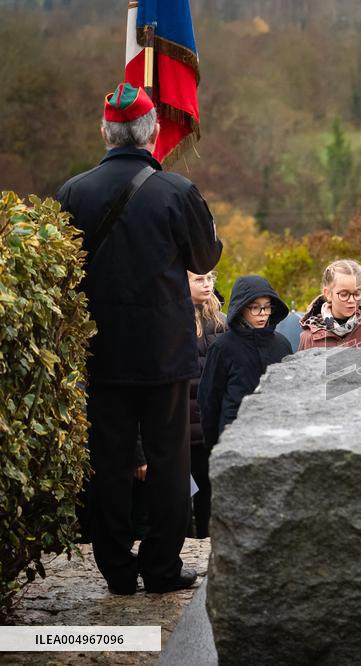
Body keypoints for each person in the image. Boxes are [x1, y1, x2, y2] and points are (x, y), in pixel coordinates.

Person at [56, 83, 222, 595]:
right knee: (171, 463)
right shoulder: (176, 192)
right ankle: (161, 568)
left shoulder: (72, 193)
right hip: (164, 353)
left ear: (106, 133)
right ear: (153, 134)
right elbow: (205, 259)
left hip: (101, 352)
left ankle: (116, 570)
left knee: (109, 461)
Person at [198, 276, 293, 450]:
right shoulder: (222, 347)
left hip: (276, 437)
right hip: (233, 437)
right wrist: (213, 445)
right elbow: (209, 399)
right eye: (255, 308)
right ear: (241, 308)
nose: (263, 313)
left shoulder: (282, 344)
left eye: (267, 307)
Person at [188, 272, 226, 538]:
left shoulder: (222, 323)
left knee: (208, 497)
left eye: (210, 278)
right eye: (199, 279)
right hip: (179, 427)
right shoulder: (174, 321)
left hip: (210, 426)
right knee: (180, 498)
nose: (207, 284)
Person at [298, 259, 361, 350]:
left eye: (357, 294)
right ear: (328, 293)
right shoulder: (309, 338)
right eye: (344, 294)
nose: (352, 300)